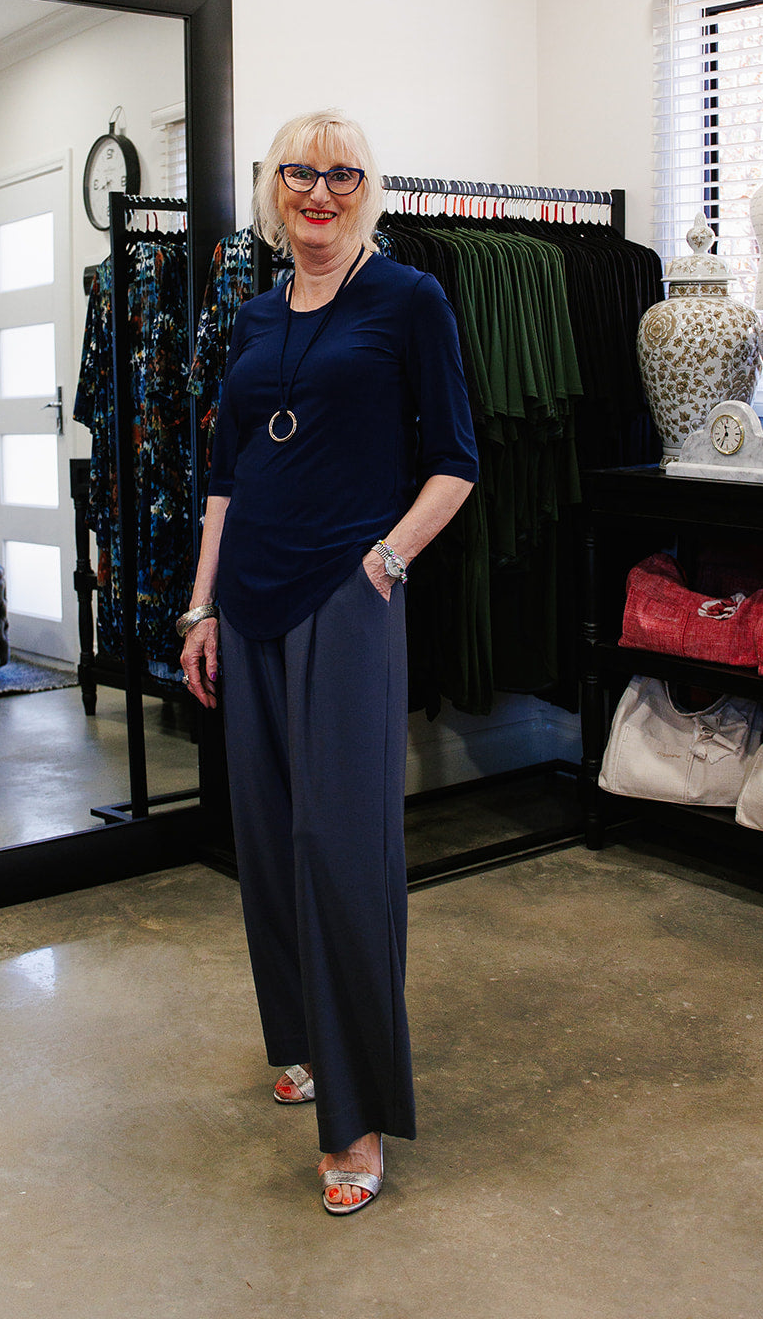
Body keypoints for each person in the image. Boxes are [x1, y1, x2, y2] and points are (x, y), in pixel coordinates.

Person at [178, 110, 479, 1214]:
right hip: (248, 596)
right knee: (266, 838)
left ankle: (356, 1114)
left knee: (340, 847)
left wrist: (385, 563)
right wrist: (200, 605)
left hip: (345, 599)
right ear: (274, 189)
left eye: (340, 174)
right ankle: (303, 1041)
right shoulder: (256, 313)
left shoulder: (409, 298)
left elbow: (456, 460)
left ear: (366, 188)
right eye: (299, 174)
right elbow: (225, 475)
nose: (318, 192)